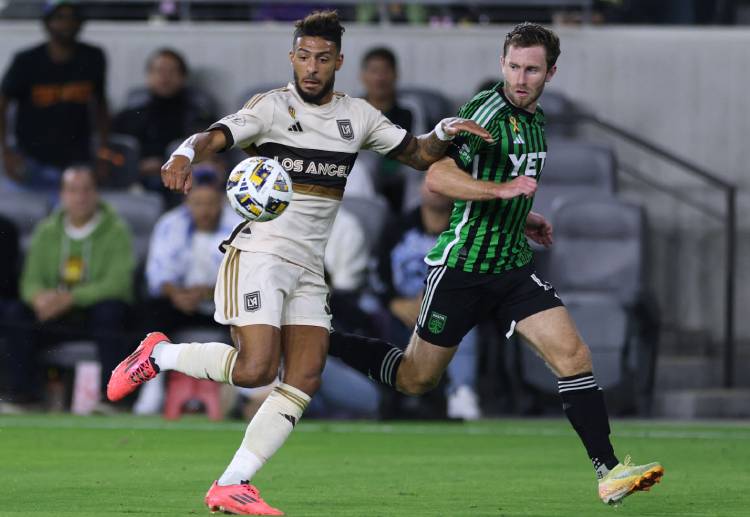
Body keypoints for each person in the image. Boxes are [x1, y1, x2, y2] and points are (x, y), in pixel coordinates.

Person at [106, 10, 491, 516]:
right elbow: (213, 137)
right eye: (305, 56)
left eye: (323, 59)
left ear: (338, 62)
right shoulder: (269, 108)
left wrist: (442, 130)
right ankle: (158, 355)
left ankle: (232, 483)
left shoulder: (360, 118)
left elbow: (419, 155)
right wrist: (183, 154)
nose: (312, 67)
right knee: (254, 370)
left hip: (310, 266)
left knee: (305, 375)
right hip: (261, 252)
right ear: (292, 57)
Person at [328, 22, 664, 506]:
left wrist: (522, 215)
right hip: (462, 267)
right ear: (502, 63)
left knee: (573, 356)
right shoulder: (486, 111)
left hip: (510, 266)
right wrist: (501, 193)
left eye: (532, 69)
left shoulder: (536, 119)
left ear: (551, 71)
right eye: (513, 66)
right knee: (416, 378)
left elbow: (504, 180)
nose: (521, 78)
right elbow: (438, 177)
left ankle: (608, 471)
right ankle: (324, 340)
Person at [2, 165, 134, 405]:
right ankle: (23, 396)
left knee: (112, 312)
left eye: (86, 190)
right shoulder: (47, 231)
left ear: (96, 193)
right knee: (16, 314)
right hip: (53, 314)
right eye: (73, 190)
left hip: (92, 313)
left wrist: (70, 298)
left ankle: (112, 399)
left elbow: (118, 283)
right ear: (62, 194)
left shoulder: (116, 231)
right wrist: (39, 299)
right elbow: (29, 281)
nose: (80, 197)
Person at [373, 181, 481, 420]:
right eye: (431, 181)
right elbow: (377, 273)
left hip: (450, 304)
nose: (437, 188)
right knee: (367, 310)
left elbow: (478, 274)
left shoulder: (469, 230)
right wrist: (393, 302)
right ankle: (385, 397)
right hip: (401, 307)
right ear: (420, 189)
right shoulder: (397, 228)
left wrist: (439, 300)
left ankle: (462, 392)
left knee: (465, 320)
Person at [0, 1, 109, 190]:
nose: (66, 23)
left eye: (72, 17)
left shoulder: (93, 57)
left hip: (78, 160)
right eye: (59, 18)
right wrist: (5, 152)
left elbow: (101, 106)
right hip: (31, 160)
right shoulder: (26, 60)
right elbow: (2, 104)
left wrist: (104, 152)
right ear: (47, 22)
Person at [113, 48, 215, 198]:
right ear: (148, 76)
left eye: (172, 71)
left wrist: (166, 164)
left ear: (183, 77)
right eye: (159, 71)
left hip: (184, 181)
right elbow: (114, 155)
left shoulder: (198, 115)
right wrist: (136, 167)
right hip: (137, 180)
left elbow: (208, 151)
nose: (165, 77)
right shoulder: (129, 116)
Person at [360, 47, 415, 212]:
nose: (379, 78)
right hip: (364, 178)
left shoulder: (410, 110)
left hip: (402, 173)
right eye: (374, 71)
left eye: (385, 71)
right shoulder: (352, 109)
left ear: (395, 75)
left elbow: (418, 147)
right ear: (363, 76)